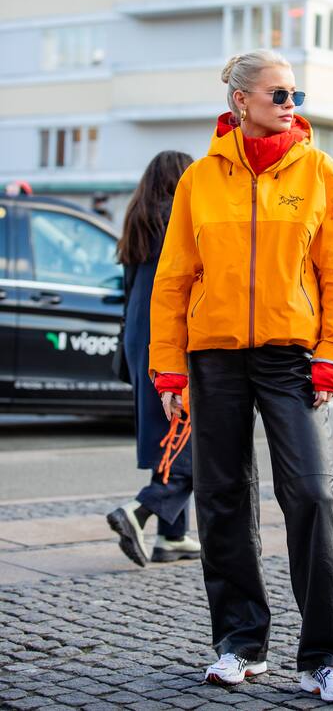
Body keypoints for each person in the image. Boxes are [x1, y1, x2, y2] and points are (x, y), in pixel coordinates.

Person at [149, 50, 333, 704]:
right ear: (241, 100)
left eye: (296, 94)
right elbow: (173, 279)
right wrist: (168, 371)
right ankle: (240, 644)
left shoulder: (319, 172)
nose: (290, 104)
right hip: (213, 358)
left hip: (291, 358)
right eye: (278, 94)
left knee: (312, 495)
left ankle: (324, 658)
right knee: (222, 499)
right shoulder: (200, 180)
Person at [107, 151, 201, 567]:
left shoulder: (138, 222)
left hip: (138, 338)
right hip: (171, 339)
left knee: (168, 435)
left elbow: (129, 290)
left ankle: (172, 537)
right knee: (195, 440)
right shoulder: (181, 219)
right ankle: (141, 509)